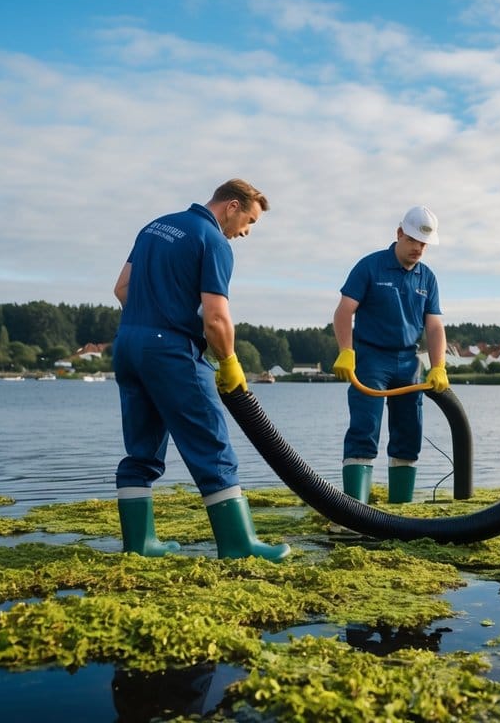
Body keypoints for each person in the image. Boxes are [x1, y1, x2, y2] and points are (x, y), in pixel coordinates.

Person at [112, 179, 290, 562]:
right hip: (171, 351)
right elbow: (215, 318)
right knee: (212, 445)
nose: (245, 232)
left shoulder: (155, 226)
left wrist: (151, 318)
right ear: (231, 206)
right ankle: (239, 546)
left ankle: (139, 545)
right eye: (249, 221)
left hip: (128, 344)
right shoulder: (213, 241)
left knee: (141, 450)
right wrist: (228, 361)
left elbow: (122, 288)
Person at [330, 206, 450, 505]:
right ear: (399, 234)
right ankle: (354, 512)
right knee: (364, 429)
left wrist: (439, 366)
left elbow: (434, 326)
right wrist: (346, 351)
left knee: (408, 435)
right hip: (371, 359)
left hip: (409, 362)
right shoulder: (370, 266)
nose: (418, 249)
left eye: (424, 244)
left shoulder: (427, 278)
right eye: (413, 241)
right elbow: (345, 311)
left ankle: (401, 510)